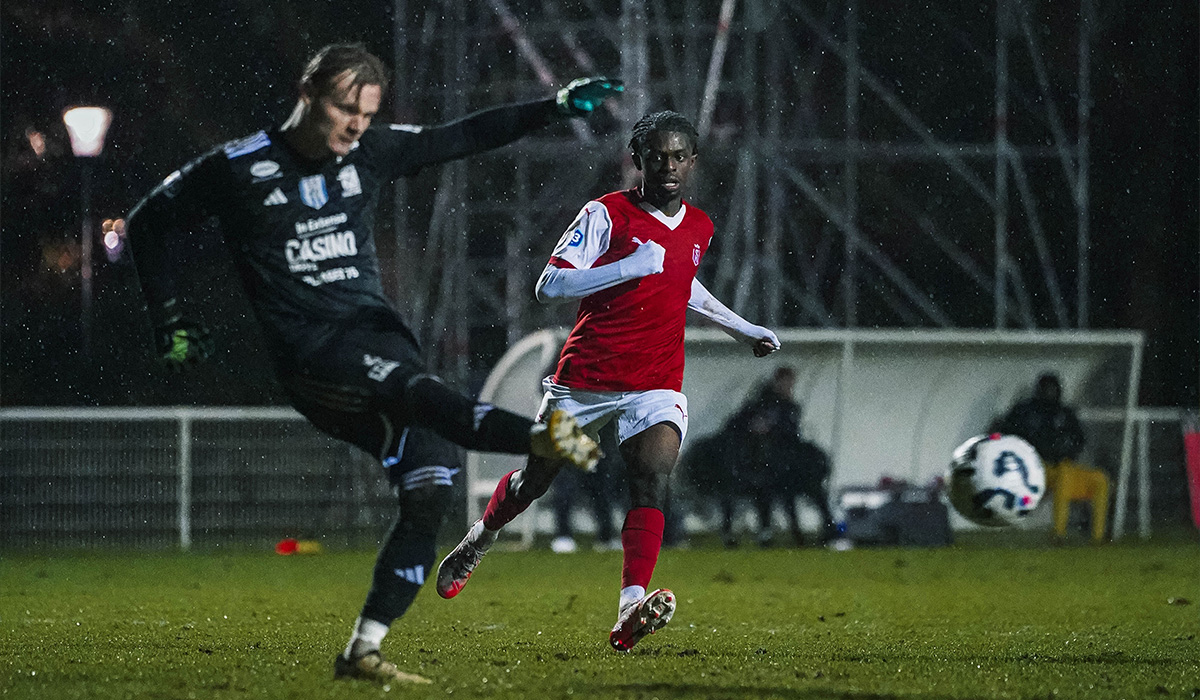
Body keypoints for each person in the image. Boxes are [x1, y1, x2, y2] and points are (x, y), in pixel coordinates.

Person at [124, 43, 623, 684]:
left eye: (367, 112)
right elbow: (147, 223)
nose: (356, 125)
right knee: (422, 393)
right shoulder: (237, 168)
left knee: (431, 488)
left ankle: (363, 651)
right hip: (314, 353)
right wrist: (168, 318)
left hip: (379, 338)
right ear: (307, 94)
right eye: (343, 108)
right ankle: (536, 436)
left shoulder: (371, 153)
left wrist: (550, 108)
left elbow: (462, 136)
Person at [435, 110, 781, 652]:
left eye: (678, 156)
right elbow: (549, 286)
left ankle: (628, 610)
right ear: (637, 160)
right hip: (585, 384)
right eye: (656, 156)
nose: (667, 165)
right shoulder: (606, 214)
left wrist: (743, 329)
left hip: (656, 384)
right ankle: (480, 539)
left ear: (692, 162)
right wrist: (626, 267)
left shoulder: (700, 226)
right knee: (535, 482)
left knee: (652, 477)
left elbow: (682, 286)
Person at [714, 366, 835, 547]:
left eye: (791, 384)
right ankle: (766, 533)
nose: (788, 387)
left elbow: (792, 435)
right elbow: (736, 427)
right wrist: (754, 428)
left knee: (809, 491)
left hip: (786, 467)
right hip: (760, 466)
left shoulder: (790, 407)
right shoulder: (759, 405)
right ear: (777, 382)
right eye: (785, 383)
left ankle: (822, 532)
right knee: (762, 489)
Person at [996, 372, 1108, 542]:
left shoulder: (1064, 413)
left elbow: (1079, 440)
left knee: (1100, 479)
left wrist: (1067, 451)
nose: (1051, 393)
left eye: (1054, 388)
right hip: (1035, 469)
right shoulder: (1025, 411)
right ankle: (1058, 533)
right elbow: (1007, 434)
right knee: (1064, 476)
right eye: (1047, 389)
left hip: (1062, 466)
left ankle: (1098, 538)